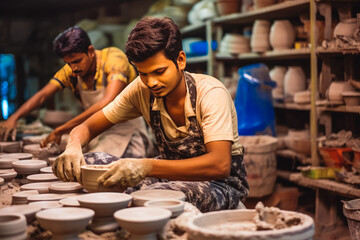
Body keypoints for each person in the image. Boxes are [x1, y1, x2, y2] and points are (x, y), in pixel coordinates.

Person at [53, 17, 249, 212]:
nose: (151, 82)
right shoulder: (142, 89)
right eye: (143, 73)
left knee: (153, 196)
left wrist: (146, 167)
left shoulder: (210, 93)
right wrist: (73, 144)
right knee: (90, 163)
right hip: (170, 175)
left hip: (220, 184)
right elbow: (88, 126)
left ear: (180, 60)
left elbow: (220, 165)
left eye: (159, 71)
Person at [0, 26, 151, 159]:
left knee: (90, 167)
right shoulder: (72, 69)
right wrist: (14, 117)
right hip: (97, 133)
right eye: (68, 63)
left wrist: (61, 130)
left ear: (90, 51)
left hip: (128, 134)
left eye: (77, 61)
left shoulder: (114, 59)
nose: (73, 68)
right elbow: (43, 96)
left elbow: (107, 103)